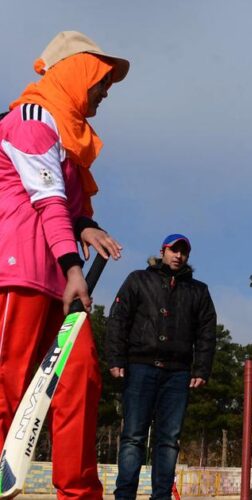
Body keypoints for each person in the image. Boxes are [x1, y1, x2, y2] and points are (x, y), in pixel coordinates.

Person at [0, 30, 129, 498]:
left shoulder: (69, 138)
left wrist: (85, 227)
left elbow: (67, 207)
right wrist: (76, 267)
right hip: (20, 276)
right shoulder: (31, 118)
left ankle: (80, 493)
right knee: (9, 393)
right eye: (100, 81)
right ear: (76, 73)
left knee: (81, 381)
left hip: (59, 279)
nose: (105, 91)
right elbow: (47, 200)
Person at [105, 234, 217, 500]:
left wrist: (201, 368)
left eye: (184, 252)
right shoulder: (138, 280)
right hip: (140, 367)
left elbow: (207, 332)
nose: (178, 256)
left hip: (177, 374)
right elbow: (118, 319)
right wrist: (115, 358)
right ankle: (124, 496)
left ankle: (161, 496)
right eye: (174, 250)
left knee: (168, 440)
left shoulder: (198, 290)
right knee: (133, 436)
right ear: (163, 251)